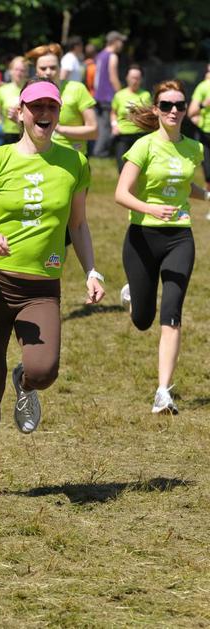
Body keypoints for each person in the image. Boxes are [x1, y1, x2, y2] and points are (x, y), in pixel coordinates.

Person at [0, 78, 105, 497]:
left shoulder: (74, 163)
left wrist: (92, 271)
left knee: (44, 371)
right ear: (20, 112)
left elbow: (78, 225)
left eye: (51, 107)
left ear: (58, 114)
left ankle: (27, 381)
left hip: (40, 289)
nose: (43, 114)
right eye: (35, 107)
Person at [115, 79, 210, 415]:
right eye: (167, 105)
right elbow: (121, 192)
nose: (174, 111)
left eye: (180, 105)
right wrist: (150, 209)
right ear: (156, 109)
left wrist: (207, 195)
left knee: (172, 312)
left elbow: (184, 185)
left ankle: (163, 392)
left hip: (180, 238)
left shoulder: (194, 148)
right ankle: (134, 292)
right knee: (143, 320)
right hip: (142, 237)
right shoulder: (143, 146)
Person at [25, 43, 97, 157]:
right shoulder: (30, 92)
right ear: (36, 70)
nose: (48, 72)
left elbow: (93, 131)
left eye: (53, 67)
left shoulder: (77, 89)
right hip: (41, 157)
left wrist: (59, 129)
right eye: (43, 68)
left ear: (60, 68)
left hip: (74, 157)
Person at [111, 65, 152, 172]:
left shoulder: (146, 95)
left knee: (140, 167)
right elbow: (113, 113)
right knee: (122, 167)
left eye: (137, 78)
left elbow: (149, 114)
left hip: (139, 135)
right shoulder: (119, 95)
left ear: (141, 79)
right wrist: (114, 125)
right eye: (132, 78)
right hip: (122, 135)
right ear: (127, 78)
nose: (135, 81)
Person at [93, 31, 127, 157]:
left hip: (98, 96)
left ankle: (99, 151)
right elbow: (113, 77)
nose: (122, 44)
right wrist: (121, 93)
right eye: (121, 41)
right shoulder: (112, 56)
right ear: (115, 41)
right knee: (107, 126)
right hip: (108, 96)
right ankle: (101, 152)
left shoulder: (100, 55)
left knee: (101, 126)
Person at [0, 56, 28, 144]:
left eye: (22, 70)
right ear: (10, 71)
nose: (19, 73)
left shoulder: (30, 89)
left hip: (26, 132)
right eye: (16, 69)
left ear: (26, 72)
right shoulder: (2, 90)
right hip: (6, 133)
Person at [188, 63, 210, 203]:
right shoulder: (203, 87)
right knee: (209, 174)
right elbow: (191, 112)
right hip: (205, 135)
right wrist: (203, 105)